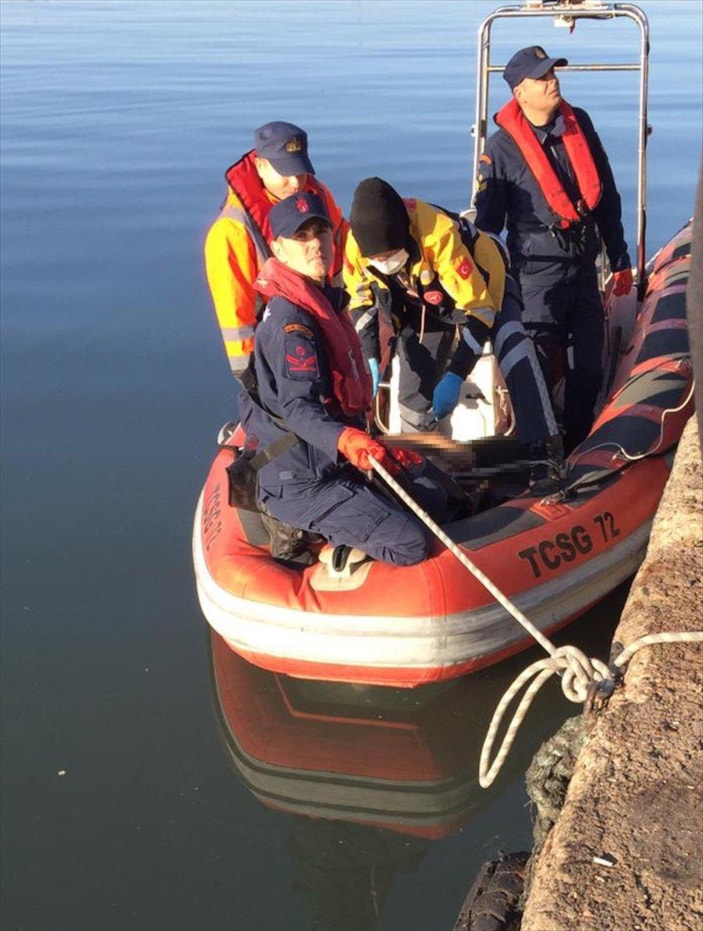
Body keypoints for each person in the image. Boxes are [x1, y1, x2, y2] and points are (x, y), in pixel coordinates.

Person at [238, 191, 450, 567]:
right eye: (300, 237)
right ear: (278, 249)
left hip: (330, 457)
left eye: (320, 232)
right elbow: (297, 409)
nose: (315, 245)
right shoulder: (293, 324)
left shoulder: (320, 299)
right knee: (411, 543)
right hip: (302, 477)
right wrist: (347, 440)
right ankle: (319, 538)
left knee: (437, 498)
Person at [344, 176, 561, 488]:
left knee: (513, 347)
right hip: (422, 303)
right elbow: (361, 301)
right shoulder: (357, 247)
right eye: (376, 259)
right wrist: (369, 358)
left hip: (484, 286)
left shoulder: (439, 234)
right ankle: (426, 469)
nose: (383, 263)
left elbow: (480, 309)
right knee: (412, 388)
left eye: (387, 254)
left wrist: (457, 373)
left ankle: (545, 451)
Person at [474, 46, 633, 454]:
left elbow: (607, 196)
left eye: (553, 73)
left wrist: (620, 256)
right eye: (543, 77)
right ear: (520, 92)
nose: (553, 81)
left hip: (583, 265)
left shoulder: (579, 125)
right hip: (535, 276)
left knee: (588, 368)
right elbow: (488, 227)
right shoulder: (502, 149)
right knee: (538, 369)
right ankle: (540, 452)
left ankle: (580, 444)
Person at [204, 121, 347, 385]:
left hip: (325, 324)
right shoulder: (231, 231)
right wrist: (251, 378)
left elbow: (343, 242)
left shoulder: (317, 195)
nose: (296, 183)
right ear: (260, 166)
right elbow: (235, 316)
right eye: (285, 172)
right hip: (278, 346)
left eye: (300, 171)